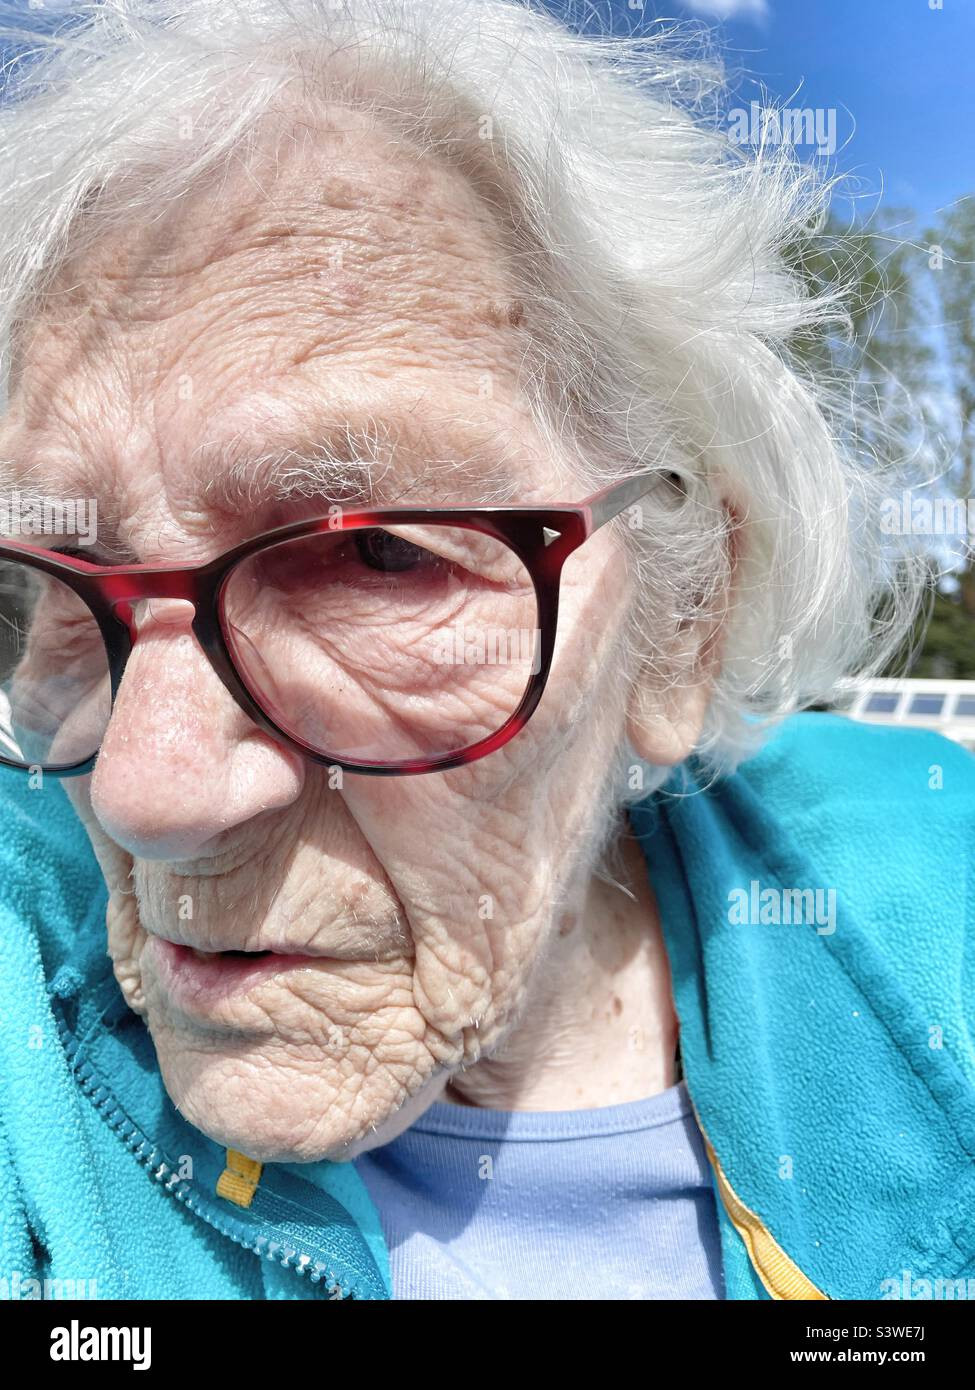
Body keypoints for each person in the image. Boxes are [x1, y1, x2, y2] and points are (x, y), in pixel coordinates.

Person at [0, 0, 971, 1302]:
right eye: (55, 581)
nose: (143, 790)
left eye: (375, 556)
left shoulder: (936, 896)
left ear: (686, 621)